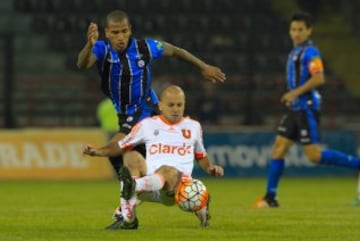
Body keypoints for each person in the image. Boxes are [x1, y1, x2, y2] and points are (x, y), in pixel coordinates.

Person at [77, 10, 225, 219]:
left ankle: (125, 211)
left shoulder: (145, 47)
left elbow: (176, 51)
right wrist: (89, 45)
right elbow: (82, 63)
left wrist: (204, 67)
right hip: (126, 113)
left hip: (146, 108)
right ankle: (193, 197)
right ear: (107, 33)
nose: (120, 37)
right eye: (116, 32)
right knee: (148, 172)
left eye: (124, 31)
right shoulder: (102, 49)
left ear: (130, 31)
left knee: (121, 153)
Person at [253, 12, 360, 208]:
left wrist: (294, 93)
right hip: (294, 110)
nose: (296, 33)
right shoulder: (295, 52)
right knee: (278, 149)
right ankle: (270, 198)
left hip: (306, 109)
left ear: (309, 30)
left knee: (314, 156)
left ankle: (358, 164)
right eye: (293, 29)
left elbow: (319, 78)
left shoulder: (311, 52)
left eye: (300, 29)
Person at [83, 85, 224, 229]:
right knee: (131, 156)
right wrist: (97, 152)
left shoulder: (193, 127)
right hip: (150, 186)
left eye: (179, 105)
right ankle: (129, 219)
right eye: (171, 105)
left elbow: (201, 156)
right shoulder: (147, 125)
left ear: (184, 105)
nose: (175, 109)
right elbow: (121, 146)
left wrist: (211, 168)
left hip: (176, 189)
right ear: (161, 106)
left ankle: (132, 188)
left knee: (168, 170)